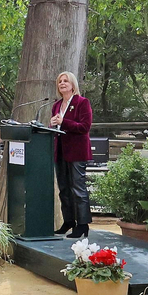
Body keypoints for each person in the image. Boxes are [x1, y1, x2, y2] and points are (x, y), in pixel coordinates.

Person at [49, 71, 94, 238]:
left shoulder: (82, 102)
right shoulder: (56, 105)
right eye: (60, 81)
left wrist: (63, 122)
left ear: (73, 85)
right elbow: (56, 128)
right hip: (59, 151)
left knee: (78, 189)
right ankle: (68, 221)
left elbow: (85, 127)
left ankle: (82, 225)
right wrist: (52, 125)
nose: (62, 83)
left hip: (77, 152)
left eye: (65, 80)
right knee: (64, 189)